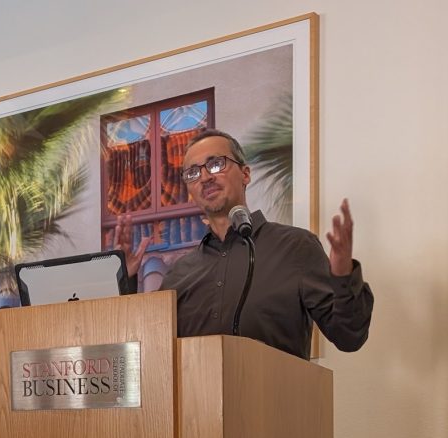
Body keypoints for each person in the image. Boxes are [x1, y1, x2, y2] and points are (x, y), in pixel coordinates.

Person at [113, 128, 373, 360]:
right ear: (190, 191)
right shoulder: (180, 273)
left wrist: (342, 277)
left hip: (275, 407)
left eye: (216, 164)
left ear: (245, 174)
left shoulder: (295, 247)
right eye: (193, 173)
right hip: (196, 413)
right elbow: (145, 350)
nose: (205, 177)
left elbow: (349, 337)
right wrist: (126, 278)